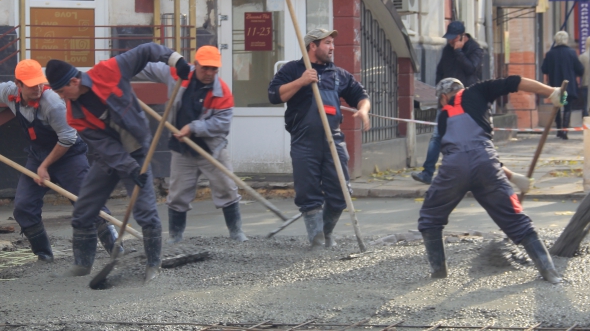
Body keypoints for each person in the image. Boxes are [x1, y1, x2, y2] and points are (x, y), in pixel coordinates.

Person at [46, 43, 191, 280]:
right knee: (84, 208)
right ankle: (82, 264)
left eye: (61, 92)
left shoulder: (109, 70)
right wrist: (129, 168)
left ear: (74, 82)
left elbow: (147, 51)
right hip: (110, 159)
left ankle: (154, 264)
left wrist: (176, 60)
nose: (61, 98)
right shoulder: (75, 114)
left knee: (145, 210)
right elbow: (106, 146)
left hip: (137, 150)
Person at [417, 76, 565, 283]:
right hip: (487, 165)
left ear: (443, 98)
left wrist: (512, 176)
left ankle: (438, 272)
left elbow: (462, 155)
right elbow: (515, 82)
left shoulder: (443, 117)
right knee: (516, 220)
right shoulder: (479, 91)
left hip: (453, 169)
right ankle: (550, 272)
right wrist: (550, 91)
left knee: (430, 217)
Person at [1, 60, 120, 262]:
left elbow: (68, 138)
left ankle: (118, 251)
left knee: (88, 203)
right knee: (23, 206)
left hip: (69, 155)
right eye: (31, 85)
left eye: (39, 82)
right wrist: (41, 163)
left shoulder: (52, 103)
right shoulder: (8, 93)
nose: (37, 88)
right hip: (37, 154)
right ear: (18, 84)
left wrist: (45, 166)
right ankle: (44, 255)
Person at [267, 29, 370, 248]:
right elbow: (274, 95)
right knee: (308, 192)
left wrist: (363, 110)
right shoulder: (293, 69)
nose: (332, 48)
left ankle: (326, 232)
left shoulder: (338, 74)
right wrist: (301, 81)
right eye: (328, 43)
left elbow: (361, 95)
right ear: (313, 46)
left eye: (332, 43)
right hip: (304, 140)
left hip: (334, 139)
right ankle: (316, 240)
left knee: (341, 192)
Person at [135, 45, 245, 244]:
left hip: (212, 149)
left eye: (214, 69)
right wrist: (122, 70)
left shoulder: (222, 92)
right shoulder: (179, 74)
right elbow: (149, 68)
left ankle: (236, 233)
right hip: (182, 149)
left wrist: (193, 127)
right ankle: (175, 237)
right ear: (195, 65)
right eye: (205, 68)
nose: (210, 73)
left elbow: (222, 122)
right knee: (178, 193)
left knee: (227, 188)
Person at [412, 21, 483, 184]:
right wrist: (441, 92)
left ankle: (469, 173)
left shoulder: (475, 49)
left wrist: (459, 52)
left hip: (466, 100)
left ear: (462, 37)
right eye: (449, 39)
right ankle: (427, 172)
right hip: (446, 100)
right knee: (437, 136)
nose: (450, 42)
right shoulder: (447, 50)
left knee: (467, 137)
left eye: (453, 39)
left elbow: (471, 69)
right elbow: (440, 71)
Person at [541, 31, 584, 139]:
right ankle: (565, 130)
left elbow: (544, 69)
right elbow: (580, 68)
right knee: (568, 107)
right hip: (568, 85)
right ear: (566, 40)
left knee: (557, 106)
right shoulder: (571, 52)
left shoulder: (550, 54)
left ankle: (559, 129)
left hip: (555, 85)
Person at [578, 37, 590, 118]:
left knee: (585, 106)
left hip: (585, 84)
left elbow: (579, 70)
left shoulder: (582, 57)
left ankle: (586, 124)